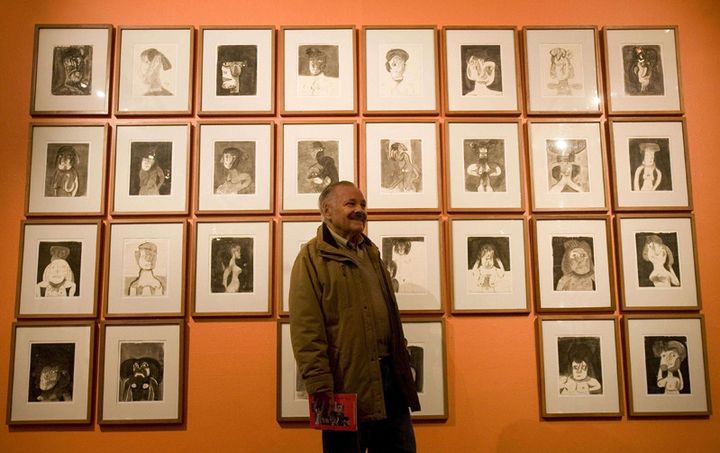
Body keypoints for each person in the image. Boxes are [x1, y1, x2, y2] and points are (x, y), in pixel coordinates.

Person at [290, 181, 420, 453]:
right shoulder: (311, 259)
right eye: (351, 204)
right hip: (343, 386)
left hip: (389, 381)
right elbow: (307, 331)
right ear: (327, 210)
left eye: (363, 205)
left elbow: (392, 319)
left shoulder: (371, 253)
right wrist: (319, 387)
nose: (360, 210)